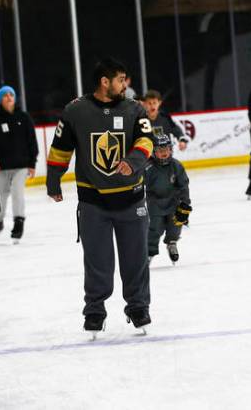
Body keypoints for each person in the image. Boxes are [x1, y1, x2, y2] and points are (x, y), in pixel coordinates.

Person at [46, 57, 155, 335]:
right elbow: (60, 149)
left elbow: (146, 140)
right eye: (120, 79)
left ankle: (138, 307)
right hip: (94, 204)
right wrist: (53, 181)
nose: (125, 84)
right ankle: (95, 310)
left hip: (132, 200)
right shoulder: (75, 111)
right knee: (97, 261)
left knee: (136, 259)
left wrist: (133, 160)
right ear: (104, 82)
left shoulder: (134, 109)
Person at [0, 85, 38, 243]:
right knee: (0, 195)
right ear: (0, 99)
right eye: (5, 95)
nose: (8, 97)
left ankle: (18, 222)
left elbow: (31, 141)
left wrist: (32, 163)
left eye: (11, 94)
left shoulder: (24, 117)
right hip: (0, 166)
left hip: (21, 165)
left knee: (17, 192)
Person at [145, 134, 191, 263]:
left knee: (176, 224)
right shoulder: (148, 168)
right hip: (154, 203)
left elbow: (184, 186)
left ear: (171, 149)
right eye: (160, 150)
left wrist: (185, 204)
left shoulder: (176, 166)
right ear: (154, 152)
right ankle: (149, 251)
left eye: (166, 149)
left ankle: (172, 243)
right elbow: (139, 186)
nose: (164, 153)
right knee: (154, 228)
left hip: (173, 202)